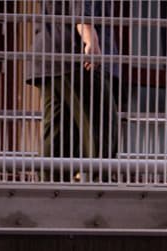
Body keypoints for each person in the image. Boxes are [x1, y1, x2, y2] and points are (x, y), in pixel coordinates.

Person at [28, 2, 123, 180]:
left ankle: (50, 192)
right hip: (77, 56)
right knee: (101, 129)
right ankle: (101, 192)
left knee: (60, 133)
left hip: (51, 53)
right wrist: (90, 39)